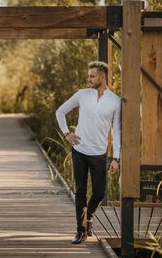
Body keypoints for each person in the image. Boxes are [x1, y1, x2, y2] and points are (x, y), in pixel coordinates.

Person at [55, 61, 121, 244]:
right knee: (81, 191)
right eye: (89, 75)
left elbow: (117, 131)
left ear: (102, 77)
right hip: (79, 150)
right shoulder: (82, 95)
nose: (88, 79)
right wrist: (67, 133)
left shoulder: (115, 101)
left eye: (92, 76)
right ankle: (80, 230)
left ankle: (88, 217)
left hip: (99, 153)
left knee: (99, 192)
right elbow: (60, 112)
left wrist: (116, 158)